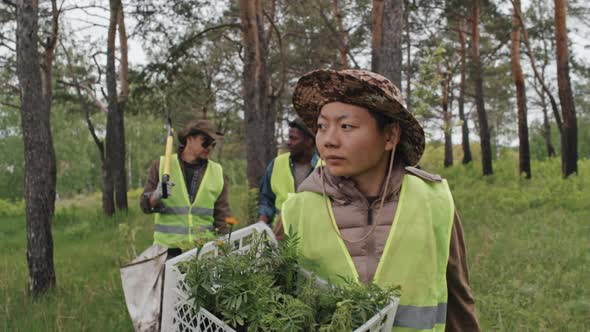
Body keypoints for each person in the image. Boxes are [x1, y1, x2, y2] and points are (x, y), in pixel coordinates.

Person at [278, 69, 481, 331]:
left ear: (390, 136)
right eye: (321, 127)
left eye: (346, 126)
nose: (329, 140)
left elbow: (459, 303)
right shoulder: (297, 210)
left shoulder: (434, 202)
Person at [140, 119, 231, 258]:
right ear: (189, 139)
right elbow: (144, 205)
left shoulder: (217, 172)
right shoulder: (162, 165)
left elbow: (222, 216)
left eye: (212, 143)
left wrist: (225, 249)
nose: (209, 147)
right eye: (205, 141)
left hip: (203, 251)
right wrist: (155, 196)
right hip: (167, 252)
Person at [257, 117, 319, 225]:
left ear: (309, 141)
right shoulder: (277, 164)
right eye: (288, 138)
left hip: (313, 236)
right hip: (280, 237)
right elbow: (266, 200)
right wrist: (262, 223)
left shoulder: (324, 169)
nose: (288, 143)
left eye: (293, 138)